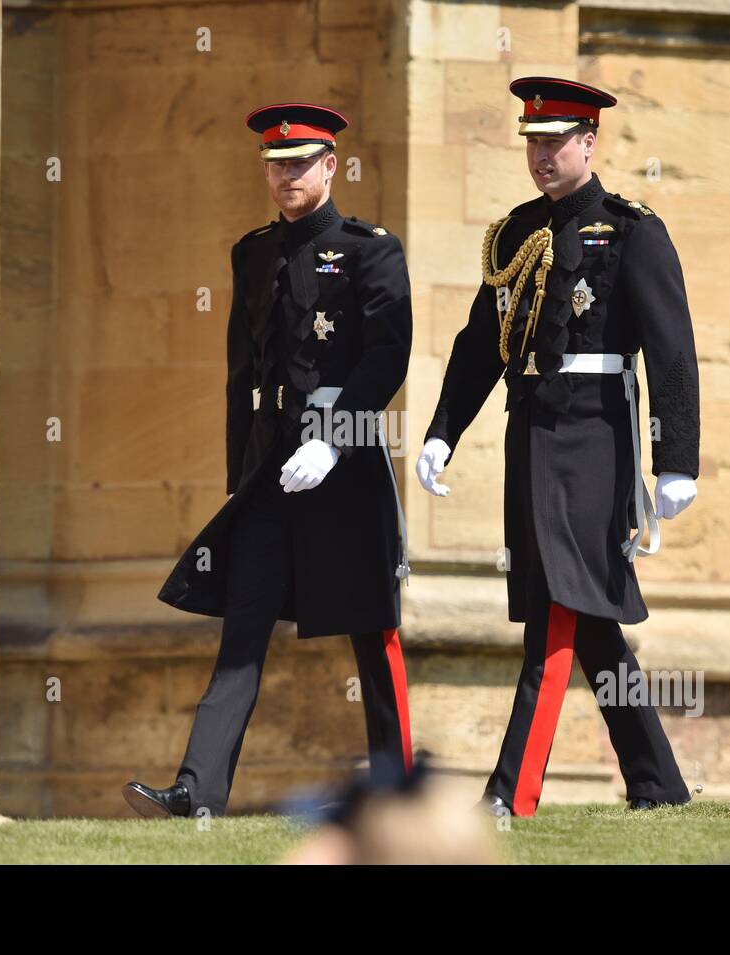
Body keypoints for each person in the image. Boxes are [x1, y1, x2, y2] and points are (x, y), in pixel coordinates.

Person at [416, 77, 699, 816]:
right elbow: (483, 345)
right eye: (532, 142)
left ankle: (511, 793)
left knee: (557, 614)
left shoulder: (631, 230)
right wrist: (443, 430)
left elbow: (670, 353)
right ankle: (659, 782)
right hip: (531, 433)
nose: (541, 155)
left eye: (554, 141)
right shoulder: (514, 232)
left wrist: (676, 460)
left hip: (593, 439)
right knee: (588, 619)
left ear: (588, 141)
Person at [126, 103, 414, 819]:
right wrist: (240, 478)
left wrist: (335, 437)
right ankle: (197, 790)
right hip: (270, 472)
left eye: (298, 162)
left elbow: (389, 356)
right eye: (274, 163)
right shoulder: (251, 250)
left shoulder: (370, 249)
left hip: (340, 465)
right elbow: (240, 372)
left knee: (372, 635)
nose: (284, 174)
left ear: (330, 166)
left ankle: (398, 792)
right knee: (242, 633)